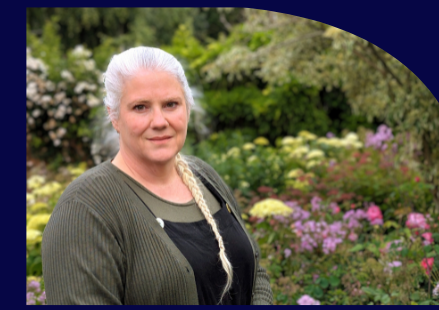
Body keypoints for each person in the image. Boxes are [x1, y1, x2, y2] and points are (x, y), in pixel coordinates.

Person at [42, 47, 274, 305]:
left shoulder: (204, 177)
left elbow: (254, 274)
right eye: (140, 107)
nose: (159, 120)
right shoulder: (84, 210)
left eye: (171, 104)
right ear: (114, 116)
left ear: (187, 108)